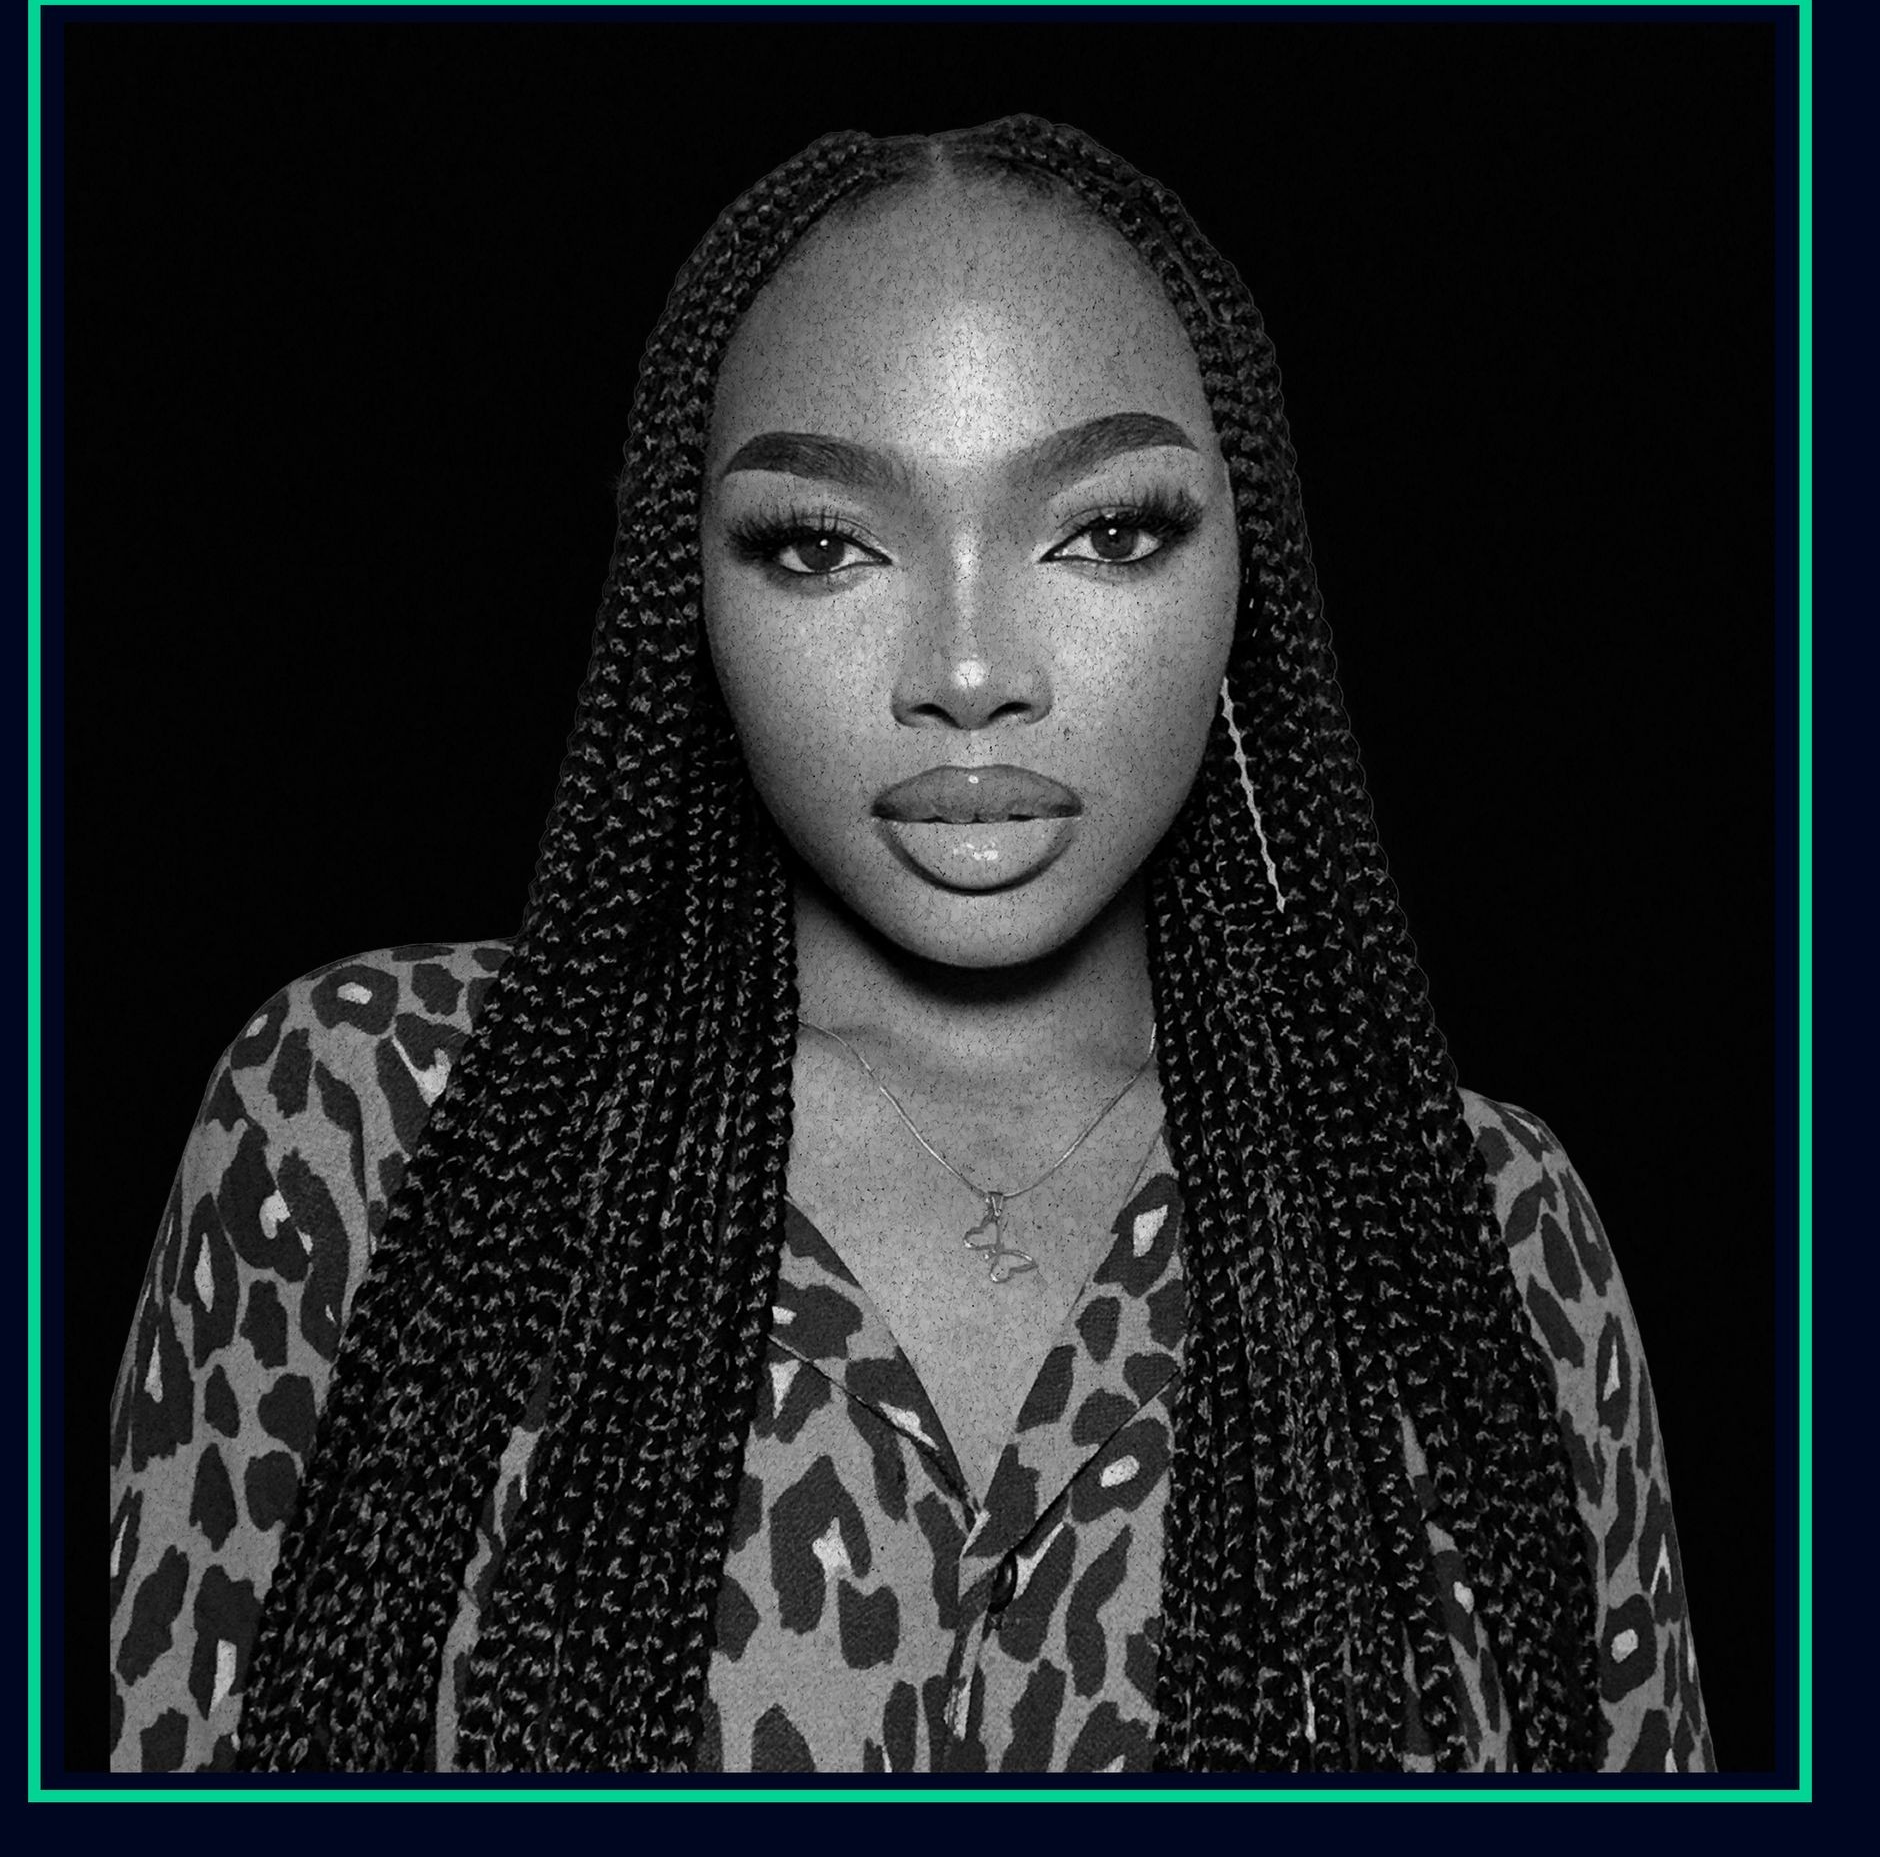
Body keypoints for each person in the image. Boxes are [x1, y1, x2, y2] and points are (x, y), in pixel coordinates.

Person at [108, 115, 1712, 1776]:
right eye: (821, 542)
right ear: (690, 597)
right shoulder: (371, 1125)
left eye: (1108, 530)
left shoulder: (1488, 1234)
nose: (965, 665)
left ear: (1254, 576)